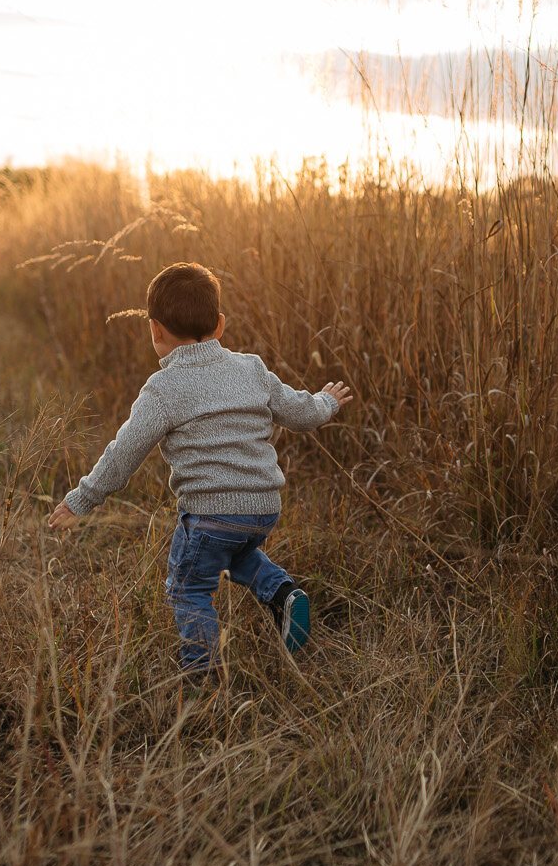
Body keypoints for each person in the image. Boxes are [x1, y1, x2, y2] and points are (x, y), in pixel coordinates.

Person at [47, 262, 353, 665]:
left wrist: (81, 499)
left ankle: (201, 675)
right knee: (235, 552)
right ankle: (282, 593)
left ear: (155, 330)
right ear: (220, 324)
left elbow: (124, 453)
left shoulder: (163, 388)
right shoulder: (252, 369)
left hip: (211, 513)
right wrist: (325, 402)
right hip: (263, 510)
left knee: (188, 588)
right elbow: (300, 414)